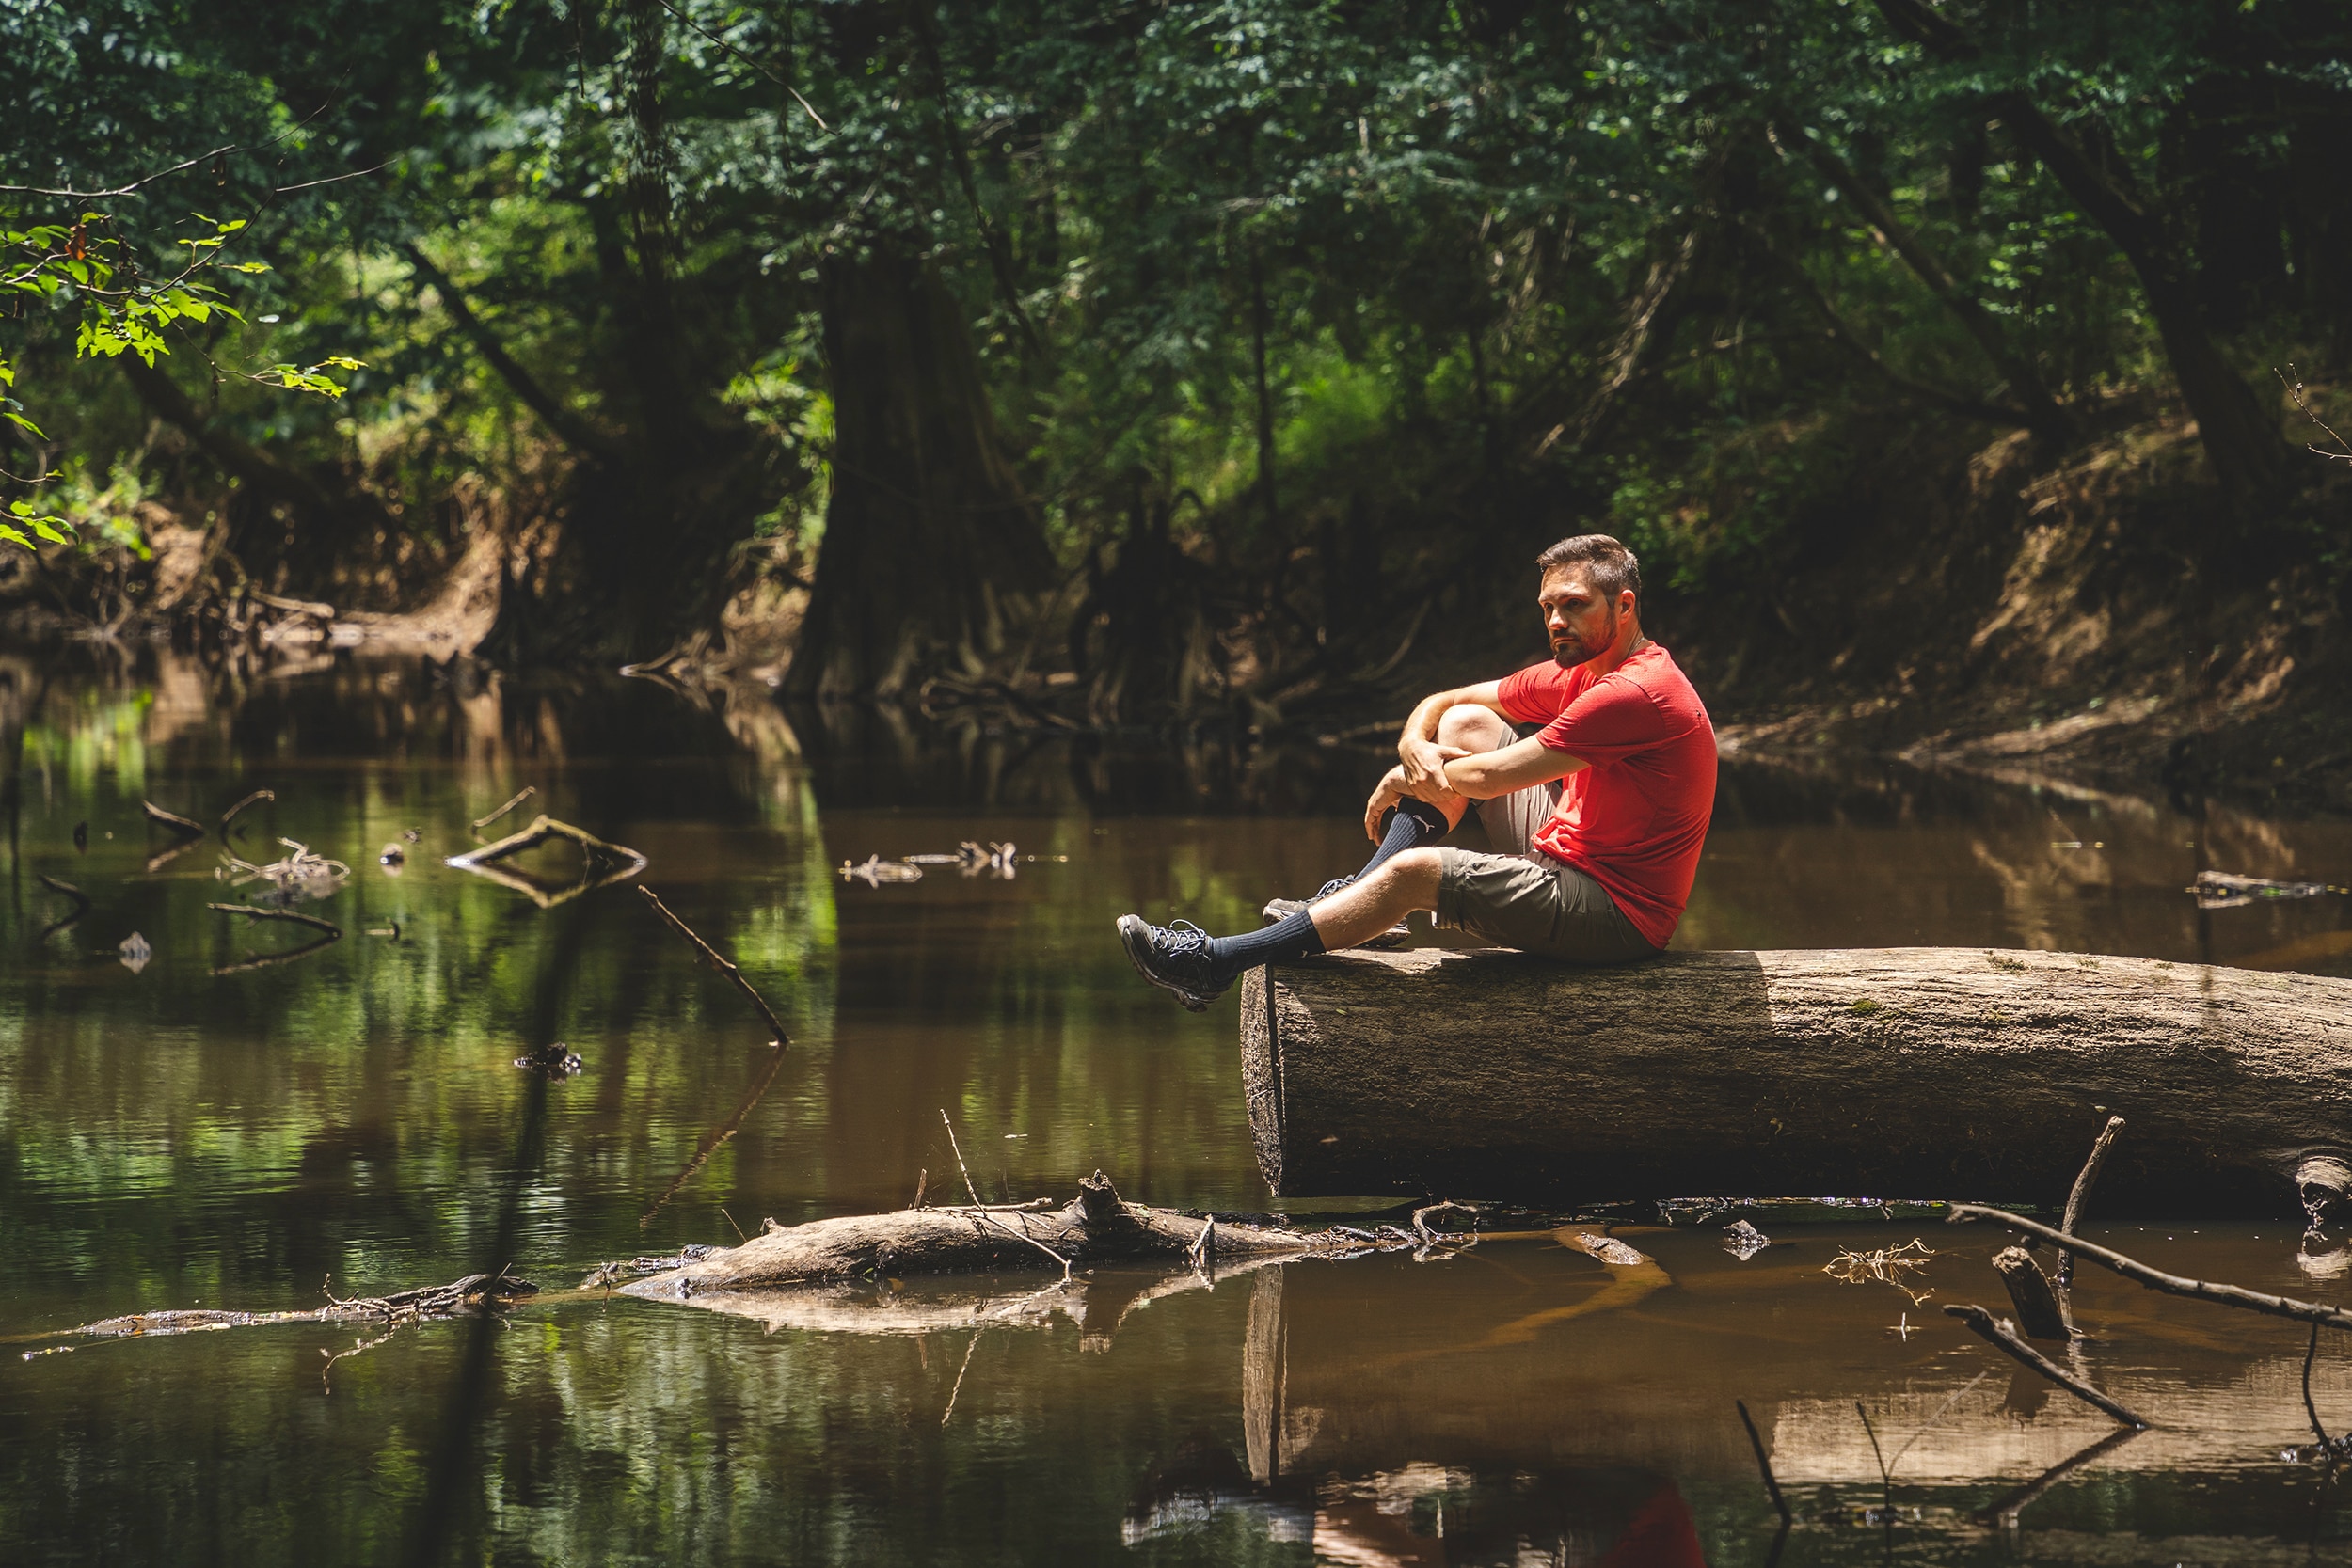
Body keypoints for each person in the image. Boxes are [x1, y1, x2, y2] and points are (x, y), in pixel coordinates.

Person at [1116, 532, 1715, 1010]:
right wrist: (1412, 744)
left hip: (1615, 915)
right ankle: (1356, 906)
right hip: (1565, 857)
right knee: (1464, 725)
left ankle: (1212, 963)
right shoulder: (1580, 668)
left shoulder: (1636, 693)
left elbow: (1490, 780)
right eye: (1548, 607)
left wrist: (1404, 778)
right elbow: (1446, 703)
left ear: (1625, 606)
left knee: (1414, 873)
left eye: (1574, 605)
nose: (1557, 621)